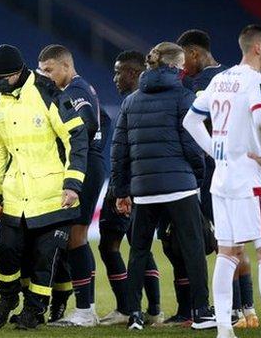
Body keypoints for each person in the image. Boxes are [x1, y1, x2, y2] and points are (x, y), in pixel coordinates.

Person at [183, 24, 261, 338]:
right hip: (251, 180)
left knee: (227, 253)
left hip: (222, 181)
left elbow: (191, 120)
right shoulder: (258, 81)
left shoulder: (219, 79)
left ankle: (225, 329)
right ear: (257, 48)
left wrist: (216, 151)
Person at [110, 41, 215, 330]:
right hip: (180, 185)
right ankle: (202, 310)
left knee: (139, 251)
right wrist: (195, 176)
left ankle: (134, 315)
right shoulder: (183, 97)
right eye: (181, 67)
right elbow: (192, 146)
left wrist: (122, 190)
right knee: (193, 248)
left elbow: (119, 151)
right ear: (174, 66)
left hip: (143, 189)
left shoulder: (131, 101)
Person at [0, 44, 88, 330]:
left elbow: (76, 137)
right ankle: (7, 297)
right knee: (6, 249)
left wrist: (73, 184)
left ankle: (34, 308)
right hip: (16, 196)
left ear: (19, 72)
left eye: (4, 78)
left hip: (53, 195)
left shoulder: (48, 93)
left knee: (46, 257)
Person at [178, 29, 257, 328]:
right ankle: (245, 310)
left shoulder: (218, 81)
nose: (183, 66)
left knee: (229, 242)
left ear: (195, 52)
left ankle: (240, 310)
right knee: (232, 242)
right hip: (218, 171)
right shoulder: (212, 78)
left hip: (221, 172)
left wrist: (217, 152)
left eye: (185, 57)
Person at [36, 44, 111, 327]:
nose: (45, 75)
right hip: (90, 163)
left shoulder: (75, 92)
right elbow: (107, 118)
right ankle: (85, 307)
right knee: (75, 237)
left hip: (85, 168)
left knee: (76, 237)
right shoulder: (80, 89)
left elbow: (89, 122)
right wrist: (98, 147)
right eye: (42, 70)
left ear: (66, 66)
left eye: (49, 70)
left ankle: (84, 311)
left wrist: (90, 147)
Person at [97, 50, 162, 326]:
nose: (114, 78)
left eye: (118, 71)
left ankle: (126, 308)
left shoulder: (134, 104)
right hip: (138, 183)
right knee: (139, 245)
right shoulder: (146, 101)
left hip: (129, 185)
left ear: (134, 73)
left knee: (115, 244)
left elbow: (128, 150)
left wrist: (122, 188)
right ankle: (155, 310)